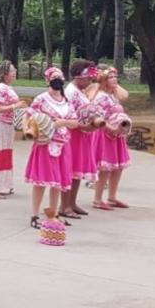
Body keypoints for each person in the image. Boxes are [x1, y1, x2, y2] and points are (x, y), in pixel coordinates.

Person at [24, 67, 79, 230]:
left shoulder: (66, 100)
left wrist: (63, 123)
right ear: (47, 80)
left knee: (57, 182)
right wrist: (44, 123)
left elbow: (75, 122)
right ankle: (34, 214)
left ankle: (53, 213)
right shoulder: (41, 99)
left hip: (63, 143)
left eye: (59, 78)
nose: (57, 81)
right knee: (41, 181)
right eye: (53, 78)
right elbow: (29, 118)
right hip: (45, 143)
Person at [90, 67, 132, 210]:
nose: (114, 79)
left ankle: (112, 197)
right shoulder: (101, 96)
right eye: (110, 77)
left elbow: (125, 94)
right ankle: (97, 199)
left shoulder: (113, 95)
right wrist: (111, 128)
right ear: (104, 81)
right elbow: (97, 117)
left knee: (117, 168)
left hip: (117, 135)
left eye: (115, 77)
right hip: (105, 133)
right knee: (105, 168)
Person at [61, 60, 95, 218]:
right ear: (78, 77)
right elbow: (68, 116)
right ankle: (64, 205)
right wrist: (84, 125)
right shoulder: (70, 92)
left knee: (77, 170)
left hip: (81, 134)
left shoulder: (80, 91)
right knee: (69, 170)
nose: (90, 81)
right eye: (88, 78)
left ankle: (72, 202)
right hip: (72, 134)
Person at [0, 61, 24, 198]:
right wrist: (15, 106)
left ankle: (5, 184)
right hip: (1, 124)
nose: (15, 73)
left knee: (6, 155)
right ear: (5, 74)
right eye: (12, 71)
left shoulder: (9, 87)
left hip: (9, 124)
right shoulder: (0, 88)